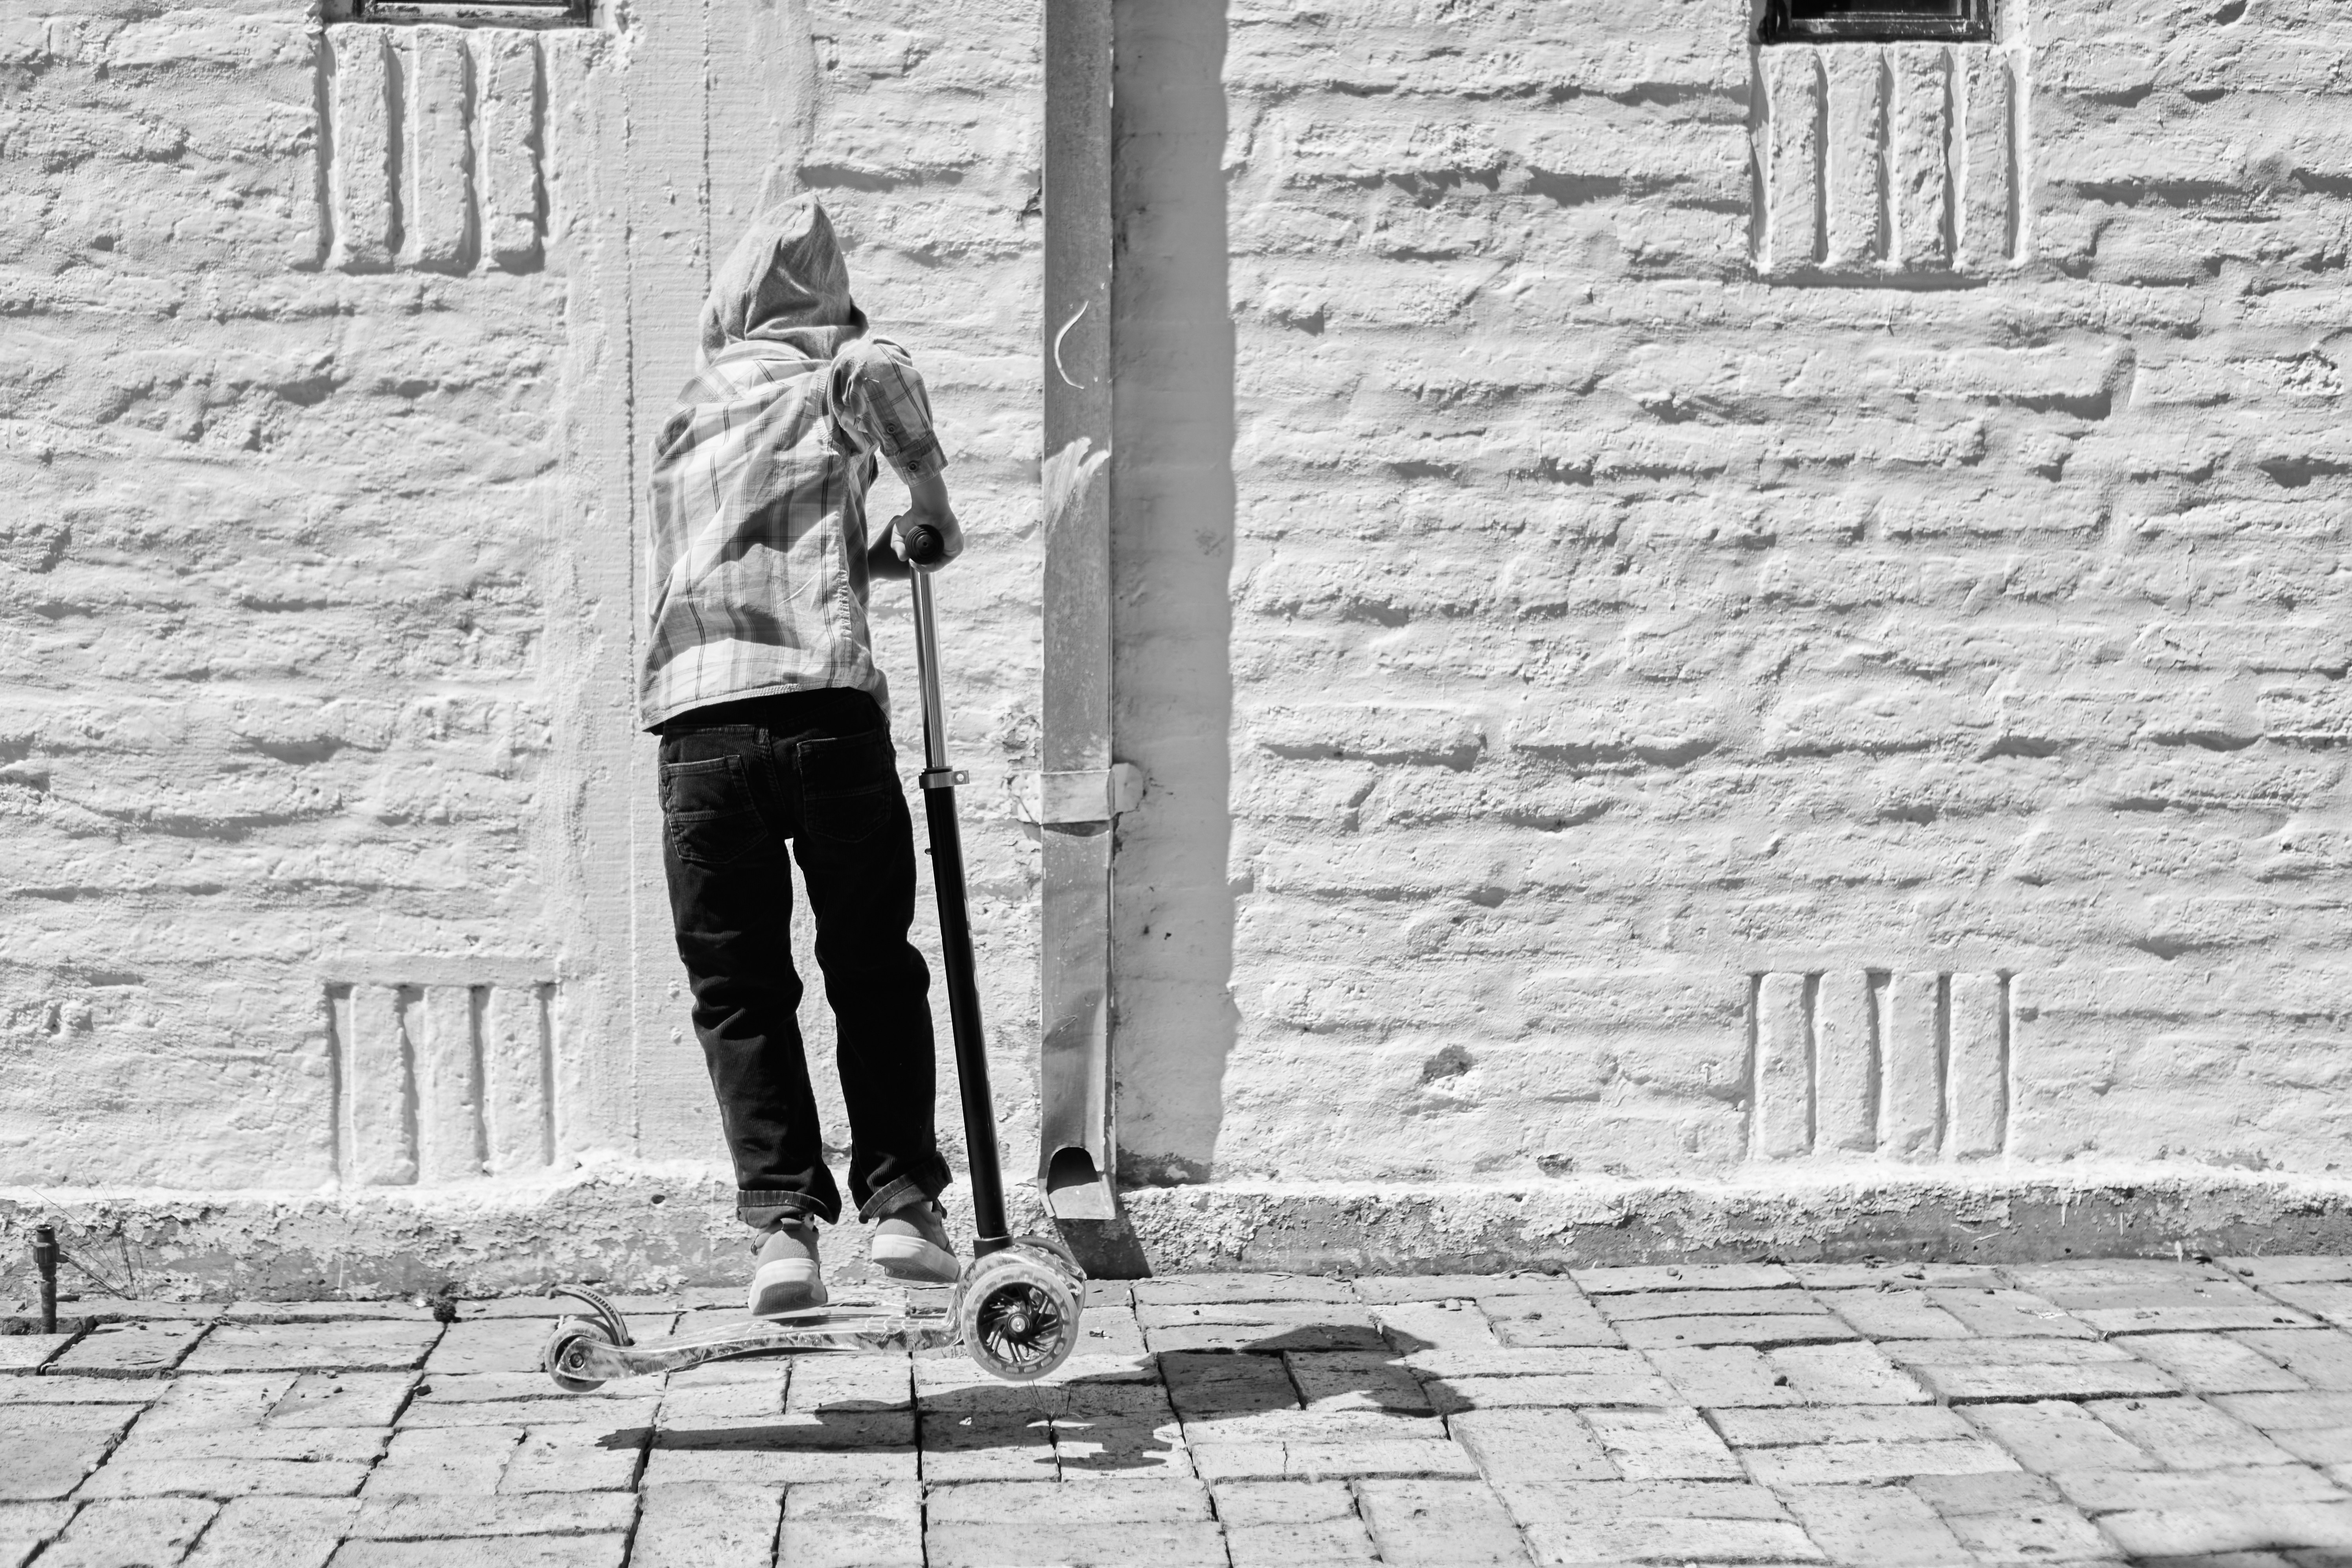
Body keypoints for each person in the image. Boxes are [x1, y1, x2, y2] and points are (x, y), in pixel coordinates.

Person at [640, 195, 968, 1316]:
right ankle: (901, 1208)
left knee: (737, 989)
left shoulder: (689, 413)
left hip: (698, 732)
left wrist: (869, 558)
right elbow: (877, 369)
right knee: (871, 962)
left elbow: (753, 558)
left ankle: (781, 1229)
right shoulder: (829, 375)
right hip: (824, 717)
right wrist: (927, 497)